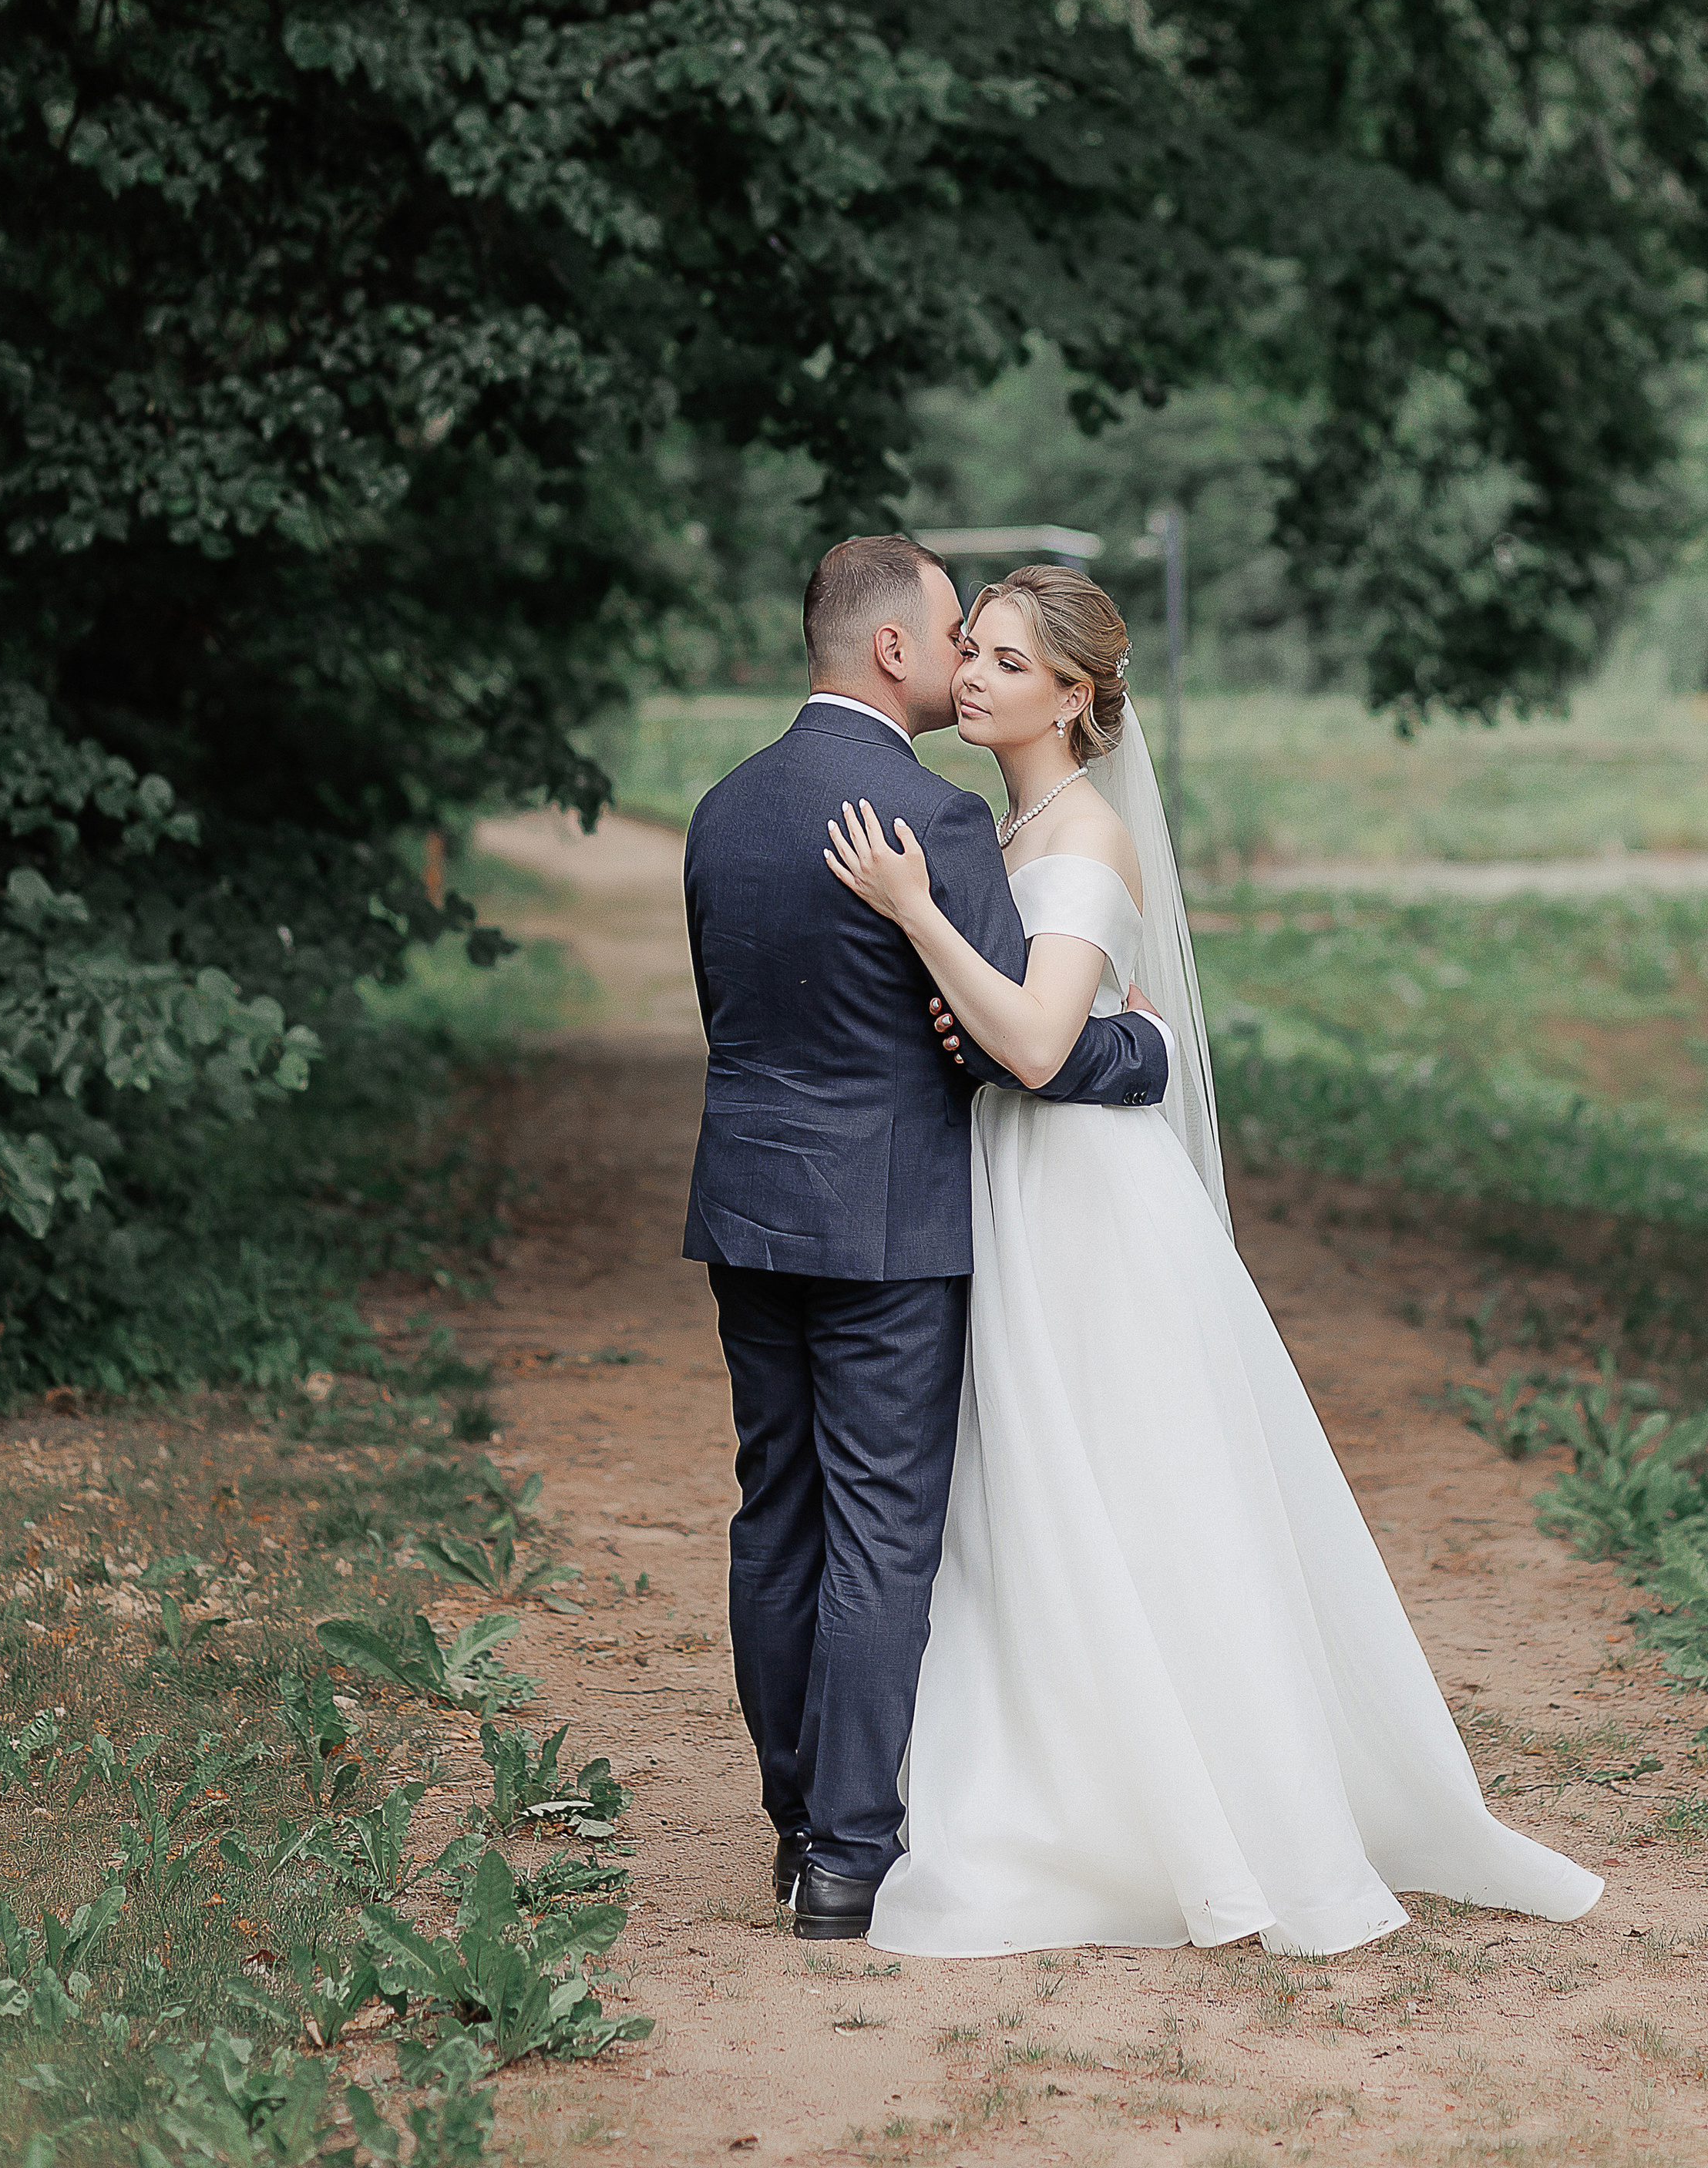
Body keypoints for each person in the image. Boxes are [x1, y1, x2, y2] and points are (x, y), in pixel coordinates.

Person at [824, 563, 1602, 1958]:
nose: (978, 677)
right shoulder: (1009, 836)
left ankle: (1217, 1809)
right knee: (1035, 1496)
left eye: (1008, 661)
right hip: (1015, 1187)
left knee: (1137, 1482)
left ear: (1076, 695)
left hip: (1087, 1205)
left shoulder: (1085, 844)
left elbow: (1047, 1047)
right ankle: (1061, 1775)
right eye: (975, 654)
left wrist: (914, 914)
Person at [681, 536, 1174, 1943]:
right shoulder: (937, 823)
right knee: (883, 1531)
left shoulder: (721, 812)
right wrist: (1135, 1049)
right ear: (892, 648)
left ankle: (791, 1831)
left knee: (773, 1511)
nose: (963, 660)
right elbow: (1012, 1042)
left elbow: (749, 1016)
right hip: (890, 1223)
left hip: (748, 1207)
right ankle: (848, 1858)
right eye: (956, 634)